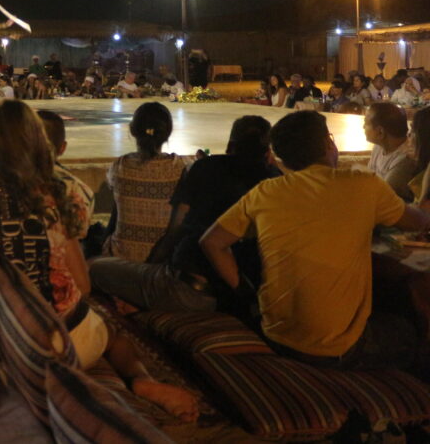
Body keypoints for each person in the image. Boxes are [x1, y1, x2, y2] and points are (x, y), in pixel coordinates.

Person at [0, 100, 198, 422]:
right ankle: (143, 380)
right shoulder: (57, 192)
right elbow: (83, 285)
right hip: (72, 341)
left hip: (12, 342)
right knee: (115, 338)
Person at [201, 111, 430, 370]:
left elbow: (212, 242)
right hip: (334, 350)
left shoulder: (265, 192)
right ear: (327, 144)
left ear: (280, 158)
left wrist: (246, 293)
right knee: (407, 327)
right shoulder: (363, 185)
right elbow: (420, 221)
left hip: (274, 333)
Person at [91, 116, 279, 315]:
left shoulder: (205, 168)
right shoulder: (276, 181)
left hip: (190, 290)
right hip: (238, 291)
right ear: (268, 152)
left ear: (230, 145)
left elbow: (176, 228)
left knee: (93, 266)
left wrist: (151, 265)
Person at [103, 102, 187, 262]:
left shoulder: (120, 166)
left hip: (120, 259)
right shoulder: (181, 167)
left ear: (133, 130)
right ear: (167, 132)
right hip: (163, 261)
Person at [365, 102, 419, 201]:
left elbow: (385, 196)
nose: (363, 127)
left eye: (366, 123)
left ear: (380, 132)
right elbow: (368, 178)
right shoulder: (379, 147)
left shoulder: (406, 159)